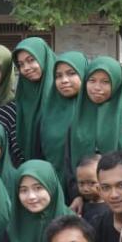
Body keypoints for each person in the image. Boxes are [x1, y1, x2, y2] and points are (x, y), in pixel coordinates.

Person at [66, 57, 122, 197]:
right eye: (92, 81)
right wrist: (77, 196)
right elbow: (69, 160)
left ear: (116, 83)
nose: (97, 87)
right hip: (85, 198)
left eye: (105, 82)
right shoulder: (78, 113)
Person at [6, 160, 71, 242]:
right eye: (24, 190)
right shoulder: (14, 225)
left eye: (38, 188)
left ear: (51, 186)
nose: (31, 196)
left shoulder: (71, 224)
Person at [39, 51, 86, 186]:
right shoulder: (48, 114)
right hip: (54, 186)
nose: (64, 80)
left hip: (89, 192)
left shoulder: (94, 111)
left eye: (71, 73)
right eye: (58, 76)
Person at [12, 37, 55, 162]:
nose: (26, 68)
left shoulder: (62, 93)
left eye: (31, 60)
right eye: (21, 64)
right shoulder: (22, 97)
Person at [74, 152, 106, 220]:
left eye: (92, 183)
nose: (85, 189)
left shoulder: (110, 209)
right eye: (81, 183)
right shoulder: (80, 206)